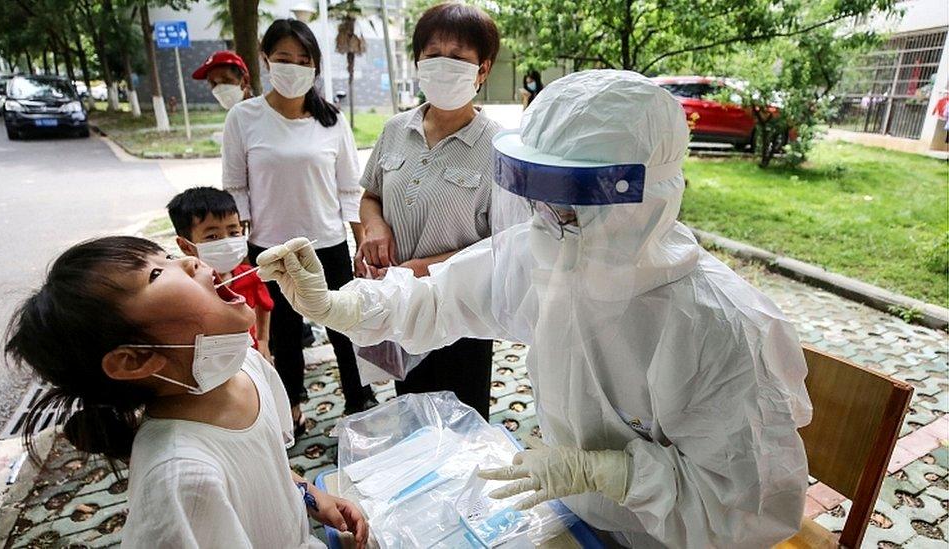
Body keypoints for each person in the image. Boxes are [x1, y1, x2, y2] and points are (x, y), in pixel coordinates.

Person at [257, 70, 813, 547]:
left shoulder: (716, 325)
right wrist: (338, 304)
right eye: (538, 191)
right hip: (577, 511)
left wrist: (614, 473)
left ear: (641, 197)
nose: (545, 215)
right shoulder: (553, 249)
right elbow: (437, 297)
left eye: (569, 199)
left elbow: (749, 511)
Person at [4, 236, 368, 548]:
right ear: (134, 360)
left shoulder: (248, 369)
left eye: (168, 256)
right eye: (157, 274)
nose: (191, 262)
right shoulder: (179, 477)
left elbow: (266, 461)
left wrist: (310, 494)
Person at [222, 19, 376, 432]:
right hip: (270, 248)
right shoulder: (243, 117)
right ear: (266, 59)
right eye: (284, 58)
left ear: (315, 66)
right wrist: (237, 248)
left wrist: (361, 243)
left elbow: (349, 190)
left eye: (303, 60)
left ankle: (359, 399)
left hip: (327, 243)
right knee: (287, 336)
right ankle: (291, 407)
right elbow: (236, 188)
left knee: (346, 327)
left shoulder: (332, 120)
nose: (293, 68)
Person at [354, 2, 502, 419]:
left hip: (464, 310)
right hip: (402, 303)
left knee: (463, 421)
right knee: (412, 412)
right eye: (432, 54)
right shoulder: (394, 130)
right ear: (417, 61)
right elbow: (371, 195)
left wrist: (429, 266)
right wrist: (374, 227)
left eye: (457, 57)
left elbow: (505, 242)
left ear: (483, 69)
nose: (442, 65)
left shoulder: (499, 147)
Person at [167, 187, 273, 360]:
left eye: (233, 233)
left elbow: (265, 307)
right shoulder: (185, 288)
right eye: (212, 237)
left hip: (250, 355)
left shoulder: (250, 275)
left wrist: (263, 341)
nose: (228, 243)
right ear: (185, 246)